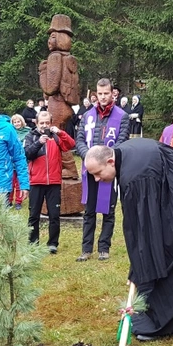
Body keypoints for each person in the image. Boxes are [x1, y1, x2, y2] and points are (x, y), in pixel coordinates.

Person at [84, 140, 173, 340]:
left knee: (171, 249)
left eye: (97, 173)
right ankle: (163, 306)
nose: (96, 179)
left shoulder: (135, 177)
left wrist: (140, 268)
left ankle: (161, 321)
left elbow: (144, 229)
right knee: (156, 254)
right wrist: (137, 267)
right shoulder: (124, 155)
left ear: (110, 161)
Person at [75, 78, 130, 262]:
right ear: (95, 94)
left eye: (106, 93)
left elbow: (122, 140)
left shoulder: (122, 116)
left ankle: (104, 248)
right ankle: (86, 248)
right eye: (100, 94)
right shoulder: (87, 115)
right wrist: (89, 157)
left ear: (113, 93)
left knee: (108, 210)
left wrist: (106, 160)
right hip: (90, 169)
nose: (103, 97)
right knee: (89, 211)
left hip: (109, 169)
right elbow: (80, 139)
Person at [24, 111, 75, 253]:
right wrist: (39, 143)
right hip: (36, 181)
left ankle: (53, 243)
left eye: (47, 123)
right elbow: (27, 154)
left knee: (54, 214)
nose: (45, 125)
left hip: (53, 181)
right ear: (36, 123)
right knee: (34, 215)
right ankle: (33, 243)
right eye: (42, 123)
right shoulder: (31, 136)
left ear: (51, 123)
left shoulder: (56, 137)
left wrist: (60, 132)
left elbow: (71, 144)